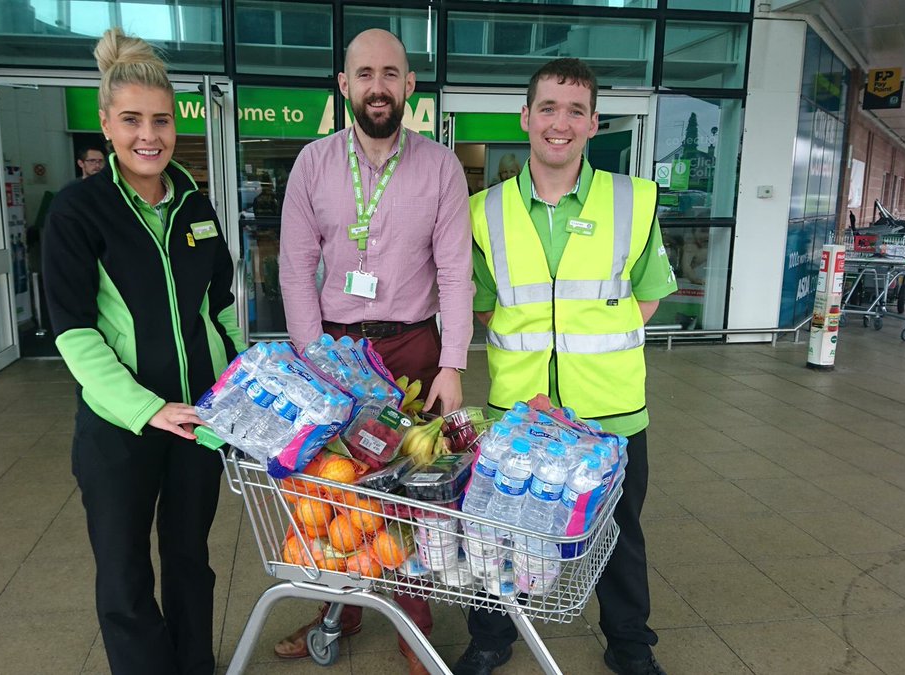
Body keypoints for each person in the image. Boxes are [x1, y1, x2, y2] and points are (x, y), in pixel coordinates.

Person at [460, 58, 677, 675]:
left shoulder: (631, 201)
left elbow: (649, 294)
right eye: (548, 108)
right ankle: (490, 638)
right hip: (520, 411)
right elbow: (484, 305)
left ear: (594, 123)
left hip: (610, 410)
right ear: (526, 118)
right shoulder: (485, 211)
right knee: (501, 531)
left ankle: (631, 647)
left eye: (575, 111)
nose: (561, 122)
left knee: (619, 536)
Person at [43, 28, 244, 675]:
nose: (147, 135)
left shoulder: (195, 207)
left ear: (176, 122)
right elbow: (74, 331)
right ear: (105, 123)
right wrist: (147, 407)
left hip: (197, 424)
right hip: (118, 430)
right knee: (125, 570)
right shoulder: (80, 212)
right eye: (131, 120)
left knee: (190, 558)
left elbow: (221, 308)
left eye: (160, 119)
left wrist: (240, 385)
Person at [277, 28, 473, 675]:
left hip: (414, 348)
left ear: (409, 85)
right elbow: (294, 266)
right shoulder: (312, 164)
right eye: (365, 74)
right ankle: (339, 608)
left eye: (391, 73)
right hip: (335, 348)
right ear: (344, 85)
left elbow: (455, 271)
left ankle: (414, 632)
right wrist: (313, 361)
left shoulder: (440, 166)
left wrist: (453, 362)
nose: (378, 86)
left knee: (405, 500)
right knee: (331, 492)